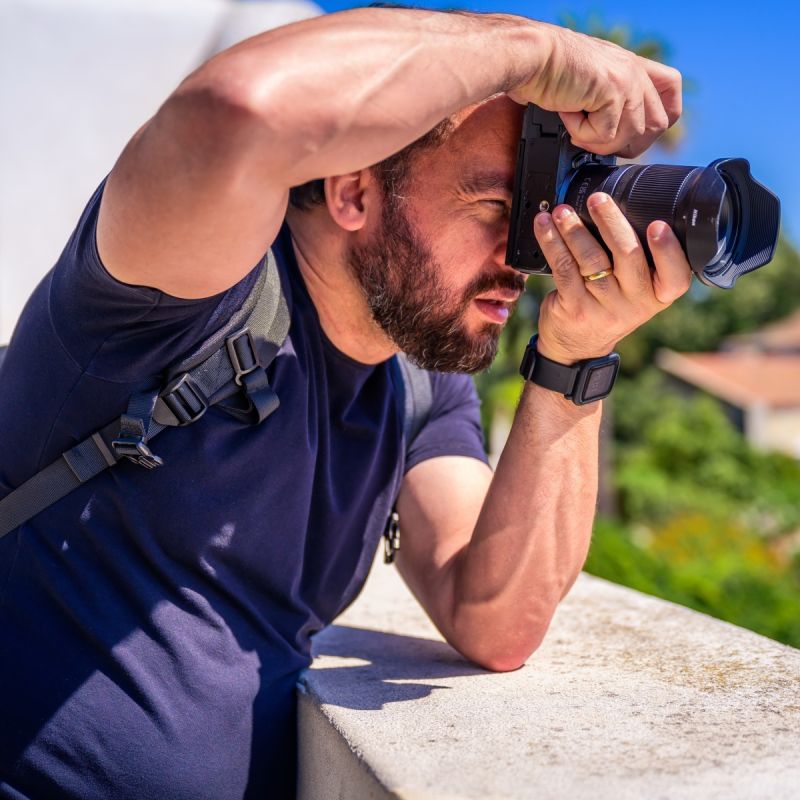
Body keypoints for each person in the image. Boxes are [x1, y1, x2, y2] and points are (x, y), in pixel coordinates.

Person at [0, 6, 688, 799]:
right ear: (353, 190)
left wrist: (575, 357)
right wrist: (533, 50)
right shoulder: (182, 296)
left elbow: (496, 618)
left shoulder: (417, 382)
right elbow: (235, 109)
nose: (522, 259)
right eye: (497, 209)